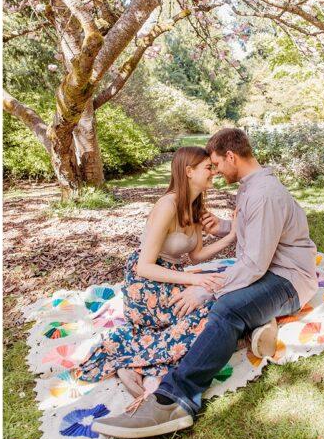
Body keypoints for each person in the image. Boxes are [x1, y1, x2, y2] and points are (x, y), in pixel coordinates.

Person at [94, 128, 317, 439]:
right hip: (269, 272)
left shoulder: (263, 194)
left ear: (231, 156)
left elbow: (253, 264)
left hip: (287, 279)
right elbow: (255, 232)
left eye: (216, 163)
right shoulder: (252, 188)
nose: (215, 170)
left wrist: (206, 287)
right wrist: (226, 228)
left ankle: (174, 401)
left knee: (225, 308)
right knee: (221, 300)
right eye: (208, 166)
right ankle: (257, 328)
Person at [75, 147, 236, 396]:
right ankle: (125, 357)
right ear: (189, 171)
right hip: (146, 281)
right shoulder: (167, 205)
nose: (214, 171)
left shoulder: (195, 206)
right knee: (208, 314)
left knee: (217, 303)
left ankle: (137, 359)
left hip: (171, 275)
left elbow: (195, 255)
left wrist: (231, 236)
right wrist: (195, 279)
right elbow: (144, 266)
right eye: (208, 167)